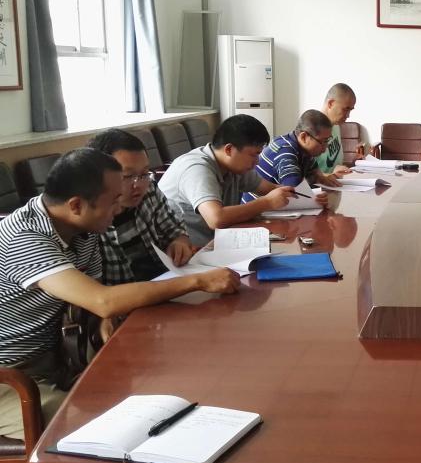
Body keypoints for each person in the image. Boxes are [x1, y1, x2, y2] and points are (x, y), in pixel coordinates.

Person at [0, 149, 240, 440]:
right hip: (12, 377)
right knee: (94, 434)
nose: (118, 208)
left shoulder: (82, 227)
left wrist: (102, 319)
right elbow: (103, 300)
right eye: (113, 201)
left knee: (169, 389)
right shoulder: (24, 238)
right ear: (76, 205)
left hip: (59, 358)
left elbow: (95, 298)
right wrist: (197, 281)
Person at [158, 114, 306, 246]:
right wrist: (267, 202)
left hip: (217, 244)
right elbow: (216, 219)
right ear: (229, 149)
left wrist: (309, 198)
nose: (257, 162)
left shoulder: (234, 166)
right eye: (253, 154)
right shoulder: (197, 169)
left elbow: (270, 189)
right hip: (186, 253)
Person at [86, 129, 194, 283]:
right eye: (127, 176)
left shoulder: (149, 189)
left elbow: (174, 229)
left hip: (164, 280)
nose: (138, 185)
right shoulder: (88, 219)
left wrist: (180, 241)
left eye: (144, 173)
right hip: (126, 293)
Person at [243, 110, 337, 203]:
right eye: (323, 141)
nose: (325, 148)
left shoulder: (304, 150)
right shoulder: (285, 152)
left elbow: (315, 176)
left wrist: (323, 179)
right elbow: (294, 194)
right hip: (258, 209)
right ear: (304, 137)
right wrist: (313, 198)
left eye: (327, 141)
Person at [315, 83, 357, 179]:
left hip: (337, 182)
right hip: (320, 186)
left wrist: (353, 163)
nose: (348, 115)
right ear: (330, 103)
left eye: (350, 110)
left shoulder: (336, 125)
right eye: (345, 109)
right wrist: (331, 175)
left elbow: (333, 165)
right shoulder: (311, 131)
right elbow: (304, 177)